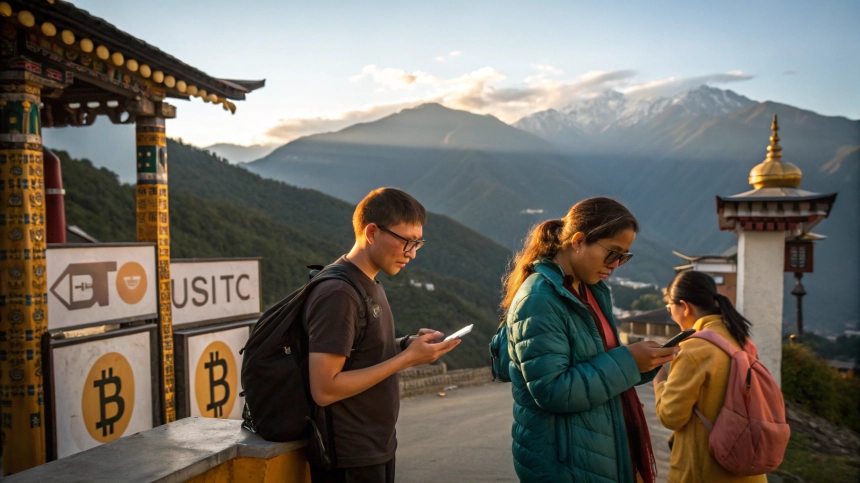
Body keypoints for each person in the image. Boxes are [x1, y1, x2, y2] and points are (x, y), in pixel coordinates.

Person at [503, 197, 678, 483]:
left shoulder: (590, 290)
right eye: (613, 253)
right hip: (565, 461)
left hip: (597, 449)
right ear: (579, 240)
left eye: (624, 256)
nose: (617, 264)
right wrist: (627, 362)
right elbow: (551, 390)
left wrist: (643, 363)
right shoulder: (540, 298)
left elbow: (598, 364)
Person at [306, 187, 460, 483]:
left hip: (375, 446)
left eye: (418, 243)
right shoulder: (338, 294)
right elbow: (324, 389)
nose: (412, 254)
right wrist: (405, 360)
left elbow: (361, 351)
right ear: (372, 232)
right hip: (349, 456)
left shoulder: (369, 283)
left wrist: (407, 345)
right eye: (406, 242)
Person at [654, 270, 767, 482]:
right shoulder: (740, 339)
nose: (670, 313)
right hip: (748, 468)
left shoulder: (695, 349)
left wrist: (659, 380)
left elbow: (671, 416)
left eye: (670, 307)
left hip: (707, 470)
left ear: (685, 307)